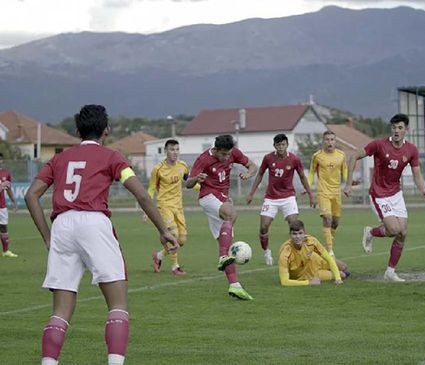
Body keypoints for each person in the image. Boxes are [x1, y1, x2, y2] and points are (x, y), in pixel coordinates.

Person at [24, 105, 178, 365]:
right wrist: (163, 230)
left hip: (62, 224)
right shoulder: (112, 156)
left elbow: (31, 195)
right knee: (117, 304)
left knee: (60, 310)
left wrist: (47, 237)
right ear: (106, 130)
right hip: (94, 222)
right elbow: (141, 194)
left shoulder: (59, 159)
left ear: (76, 131)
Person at [344, 113, 425, 282]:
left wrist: (423, 190)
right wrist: (348, 184)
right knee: (393, 230)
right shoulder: (379, 145)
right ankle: (370, 231)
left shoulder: (411, 150)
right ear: (390, 129)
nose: (396, 131)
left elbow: (417, 174)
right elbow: (354, 156)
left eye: (400, 128)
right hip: (379, 194)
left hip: (396, 194)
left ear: (406, 130)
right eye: (394, 127)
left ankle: (390, 272)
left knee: (403, 232)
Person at [187, 134, 258, 300]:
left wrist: (248, 174)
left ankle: (235, 286)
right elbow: (188, 183)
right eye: (223, 154)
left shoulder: (233, 153)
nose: (227, 158)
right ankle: (223, 256)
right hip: (208, 197)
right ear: (216, 149)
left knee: (227, 244)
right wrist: (197, 178)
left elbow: (253, 166)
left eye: (229, 154)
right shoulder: (203, 159)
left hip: (223, 198)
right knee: (232, 213)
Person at [246, 133, 314, 266]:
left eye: (283, 144)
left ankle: (296, 255)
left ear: (287, 145)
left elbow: (302, 177)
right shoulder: (268, 158)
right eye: (278, 145)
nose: (281, 147)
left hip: (288, 197)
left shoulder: (294, 159)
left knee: (294, 225)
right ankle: (266, 251)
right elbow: (260, 174)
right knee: (264, 227)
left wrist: (311, 195)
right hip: (271, 198)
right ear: (274, 146)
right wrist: (252, 193)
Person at [145, 139, 195, 276]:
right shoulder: (158, 169)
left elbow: (190, 182)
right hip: (164, 206)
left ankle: (159, 256)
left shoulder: (183, 166)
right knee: (174, 235)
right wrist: (146, 208)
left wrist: (204, 189)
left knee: (182, 240)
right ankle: (175, 267)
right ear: (166, 151)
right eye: (172, 150)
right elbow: (151, 189)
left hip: (178, 206)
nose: (175, 152)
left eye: (177, 149)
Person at [307, 130, 351, 257]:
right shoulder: (317, 156)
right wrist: (308, 186)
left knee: (335, 222)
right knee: (327, 218)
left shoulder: (341, 155)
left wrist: (349, 182)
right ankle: (330, 251)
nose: (329, 142)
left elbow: (345, 171)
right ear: (323, 141)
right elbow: (311, 172)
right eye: (327, 139)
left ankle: (326, 245)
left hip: (336, 192)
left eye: (332, 139)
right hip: (323, 191)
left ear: (335, 141)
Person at [278, 220, 349, 286]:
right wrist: (308, 282)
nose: (297, 237)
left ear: (305, 234)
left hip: (315, 259)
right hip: (308, 275)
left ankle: (339, 271)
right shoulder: (285, 252)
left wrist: (338, 279)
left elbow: (329, 259)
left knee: (343, 266)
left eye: (300, 233)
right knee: (342, 275)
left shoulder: (311, 241)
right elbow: (284, 281)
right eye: (294, 234)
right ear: (289, 235)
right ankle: (341, 274)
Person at [0, 153, 19, 258]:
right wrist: (1, 186)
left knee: (3, 228)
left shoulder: (5, 173)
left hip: (2, 206)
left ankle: (6, 251)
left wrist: (14, 202)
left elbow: (8, 189)